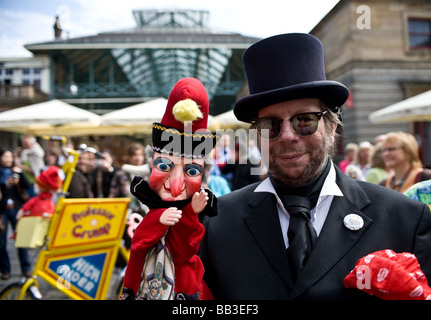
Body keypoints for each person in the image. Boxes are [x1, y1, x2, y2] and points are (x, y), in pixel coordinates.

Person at [199, 33, 431, 300]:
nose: (287, 135)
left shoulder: (405, 219)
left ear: (332, 127)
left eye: (305, 120)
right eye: (270, 125)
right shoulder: (217, 222)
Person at [121, 78, 218, 300]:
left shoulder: (201, 208)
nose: (175, 187)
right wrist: (157, 220)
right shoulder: (150, 204)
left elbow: (186, 252)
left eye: (191, 171)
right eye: (164, 166)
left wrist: (191, 214)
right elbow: (138, 248)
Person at [0, 148, 32, 279]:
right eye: (5, 157)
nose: (8, 160)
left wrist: (20, 173)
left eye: (10, 157)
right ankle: (5, 270)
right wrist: (6, 184)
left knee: (21, 239)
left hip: (17, 208)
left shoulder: (16, 170)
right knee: (2, 242)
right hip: (2, 210)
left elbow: (28, 186)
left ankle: (26, 268)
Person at [109, 142, 149, 215]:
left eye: (141, 155)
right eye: (135, 155)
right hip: (127, 214)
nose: (138, 158)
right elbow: (113, 196)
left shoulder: (148, 174)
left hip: (145, 214)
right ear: (129, 157)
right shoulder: (121, 174)